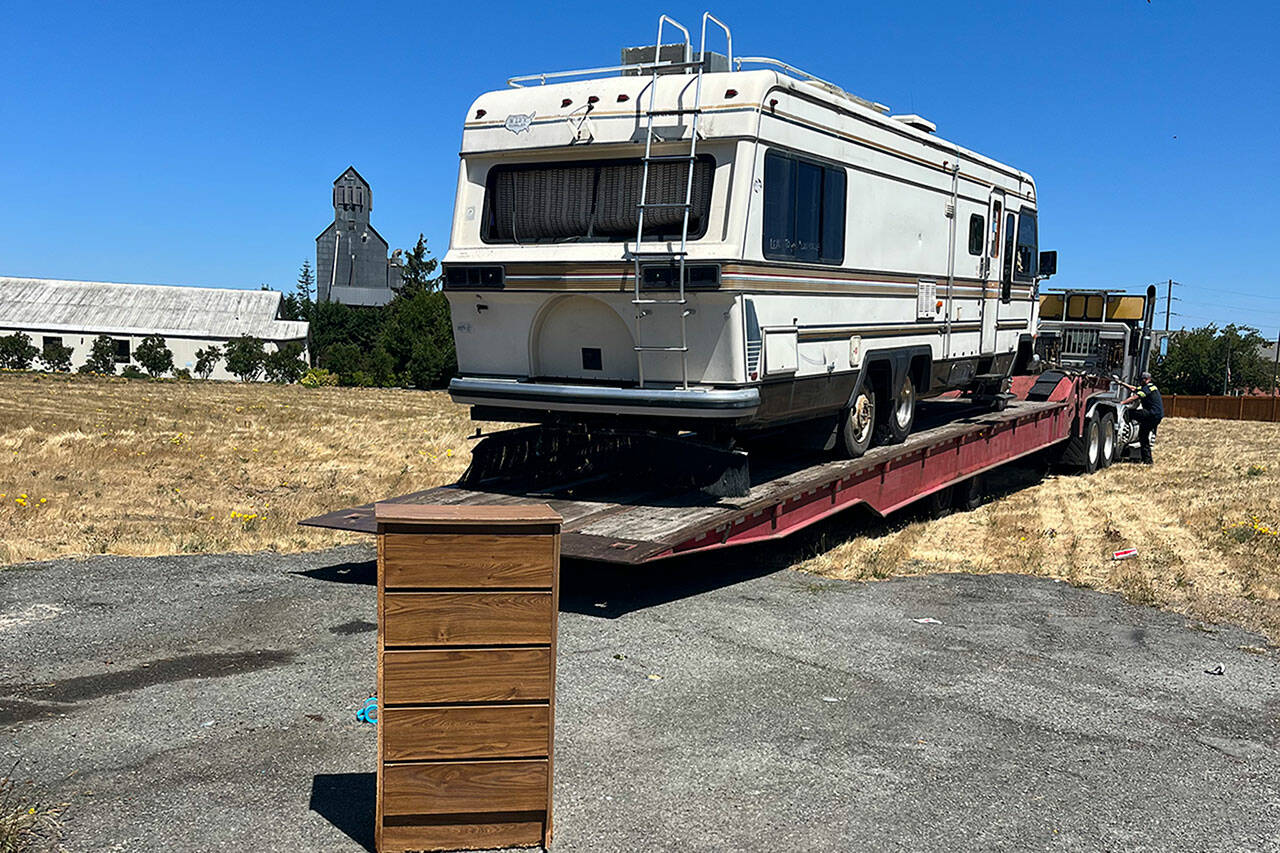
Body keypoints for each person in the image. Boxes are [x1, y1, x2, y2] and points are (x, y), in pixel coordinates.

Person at [1119, 371, 1163, 464]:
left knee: (1130, 413)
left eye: (1141, 380)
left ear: (1146, 380)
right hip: (1156, 415)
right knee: (1143, 436)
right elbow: (1134, 389)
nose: (1140, 382)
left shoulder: (1148, 388)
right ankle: (1147, 461)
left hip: (1152, 414)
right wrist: (1122, 383)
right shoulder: (1148, 387)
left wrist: (1122, 403)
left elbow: (1136, 396)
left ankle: (1124, 426)